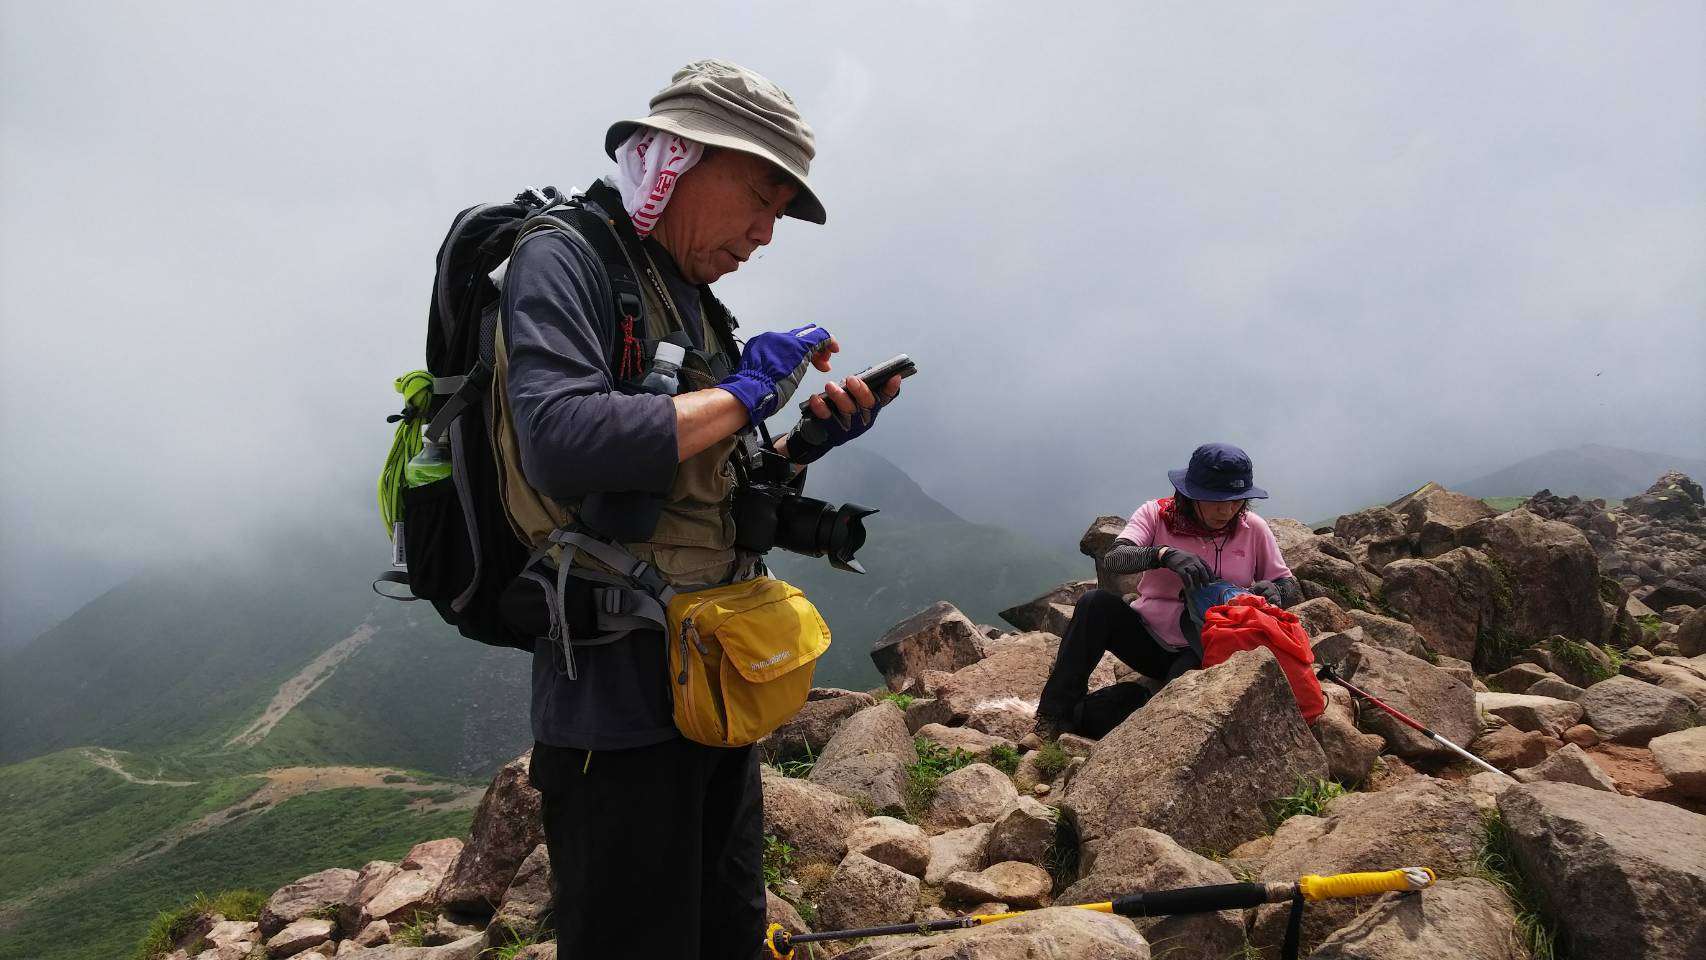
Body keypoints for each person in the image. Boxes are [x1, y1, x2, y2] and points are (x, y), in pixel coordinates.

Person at [492, 60, 901, 957]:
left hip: (715, 680)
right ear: (679, 157)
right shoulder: (565, 256)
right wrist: (750, 391)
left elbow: (705, 481)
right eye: (759, 198)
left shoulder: (687, 294)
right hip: (616, 701)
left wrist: (797, 447)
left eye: (780, 215)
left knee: (726, 933)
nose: (764, 233)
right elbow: (558, 434)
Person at [1032, 443, 1301, 741]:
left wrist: (1275, 591)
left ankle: (1108, 710)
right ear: (1190, 493)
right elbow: (1116, 558)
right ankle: (1053, 715)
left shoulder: (1253, 529)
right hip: (1150, 636)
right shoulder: (1156, 514)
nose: (1226, 510)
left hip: (1209, 645)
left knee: (1167, 714)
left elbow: (1288, 583)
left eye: (1236, 500)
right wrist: (1162, 554)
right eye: (1215, 500)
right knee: (1094, 604)